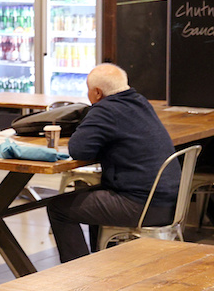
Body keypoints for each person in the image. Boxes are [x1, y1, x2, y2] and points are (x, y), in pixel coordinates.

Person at [48, 63, 179, 262]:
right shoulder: (140, 102)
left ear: (98, 93)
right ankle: (101, 262)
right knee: (90, 195)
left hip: (143, 207)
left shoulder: (105, 110)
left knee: (58, 208)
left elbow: (78, 149)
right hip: (172, 203)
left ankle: (75, 275)